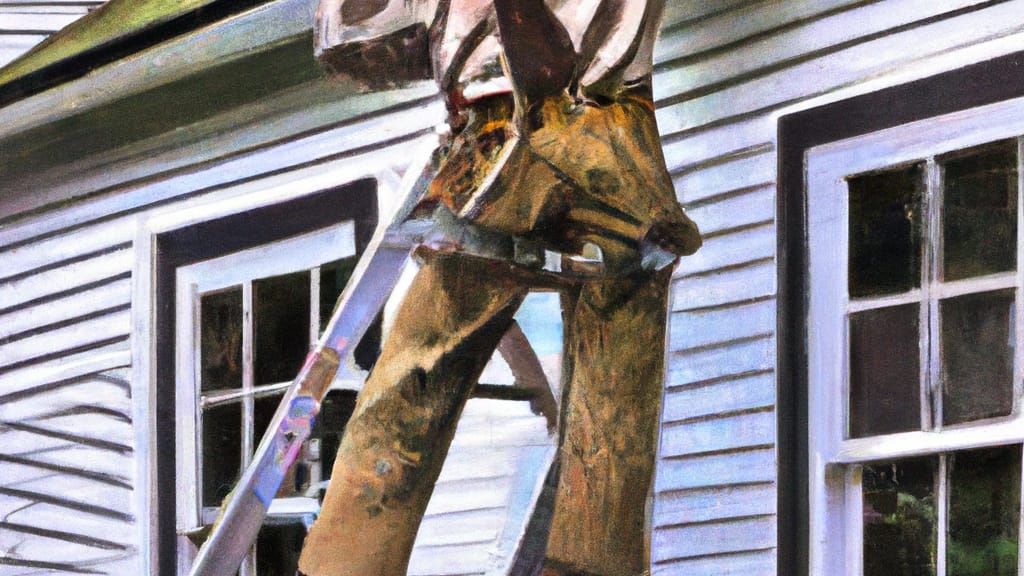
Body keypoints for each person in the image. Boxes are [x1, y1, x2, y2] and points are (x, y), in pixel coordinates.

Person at [298, 1, 701, 574]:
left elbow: (352, 41)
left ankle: (346, 562)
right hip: (585, 118)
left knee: (419, 378)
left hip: (547, 113)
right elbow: (353, 44)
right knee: (609, 403)